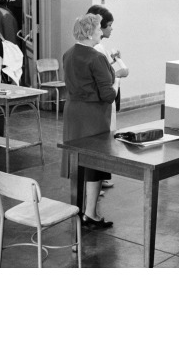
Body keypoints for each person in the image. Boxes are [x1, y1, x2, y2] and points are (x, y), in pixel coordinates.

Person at [60, 14, 117, 228]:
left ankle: (78, 209)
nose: (101, 32)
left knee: (78, 162)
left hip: (73, 112)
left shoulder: (68, 54)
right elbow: (108, 94)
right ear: (88, 32)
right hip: (93, 115)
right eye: (98, 29)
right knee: (94, 162)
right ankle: (90, 213)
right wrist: (115, 85)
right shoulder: (96, 57)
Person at [88, 4, 128, 190]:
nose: (111, 28)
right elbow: (109, 74)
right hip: (103, 101)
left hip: (101, 99)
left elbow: (104, 69)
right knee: (104, 139)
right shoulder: (96, 48)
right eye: (109, 25)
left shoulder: (97, 49)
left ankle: (99, 179)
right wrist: (117, 75)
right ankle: (98, 179)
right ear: (99, 27)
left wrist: (113, 63)